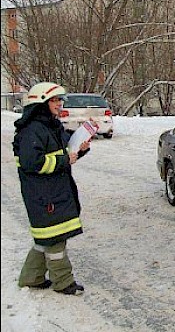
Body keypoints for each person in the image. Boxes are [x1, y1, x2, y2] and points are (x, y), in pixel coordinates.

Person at [13, 82, 91, 295]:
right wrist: (64, 159)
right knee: (55, 239)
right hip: (43, 195)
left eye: (59, 100)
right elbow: (33, 163)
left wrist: (80, 149)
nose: (59, 104)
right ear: (41, 103)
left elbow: (64, 150)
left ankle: (32, 277)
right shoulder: (32, 130)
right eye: (55, 100)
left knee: (44, 239)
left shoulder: (49, 126)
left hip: (53, 192)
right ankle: (63, 282)